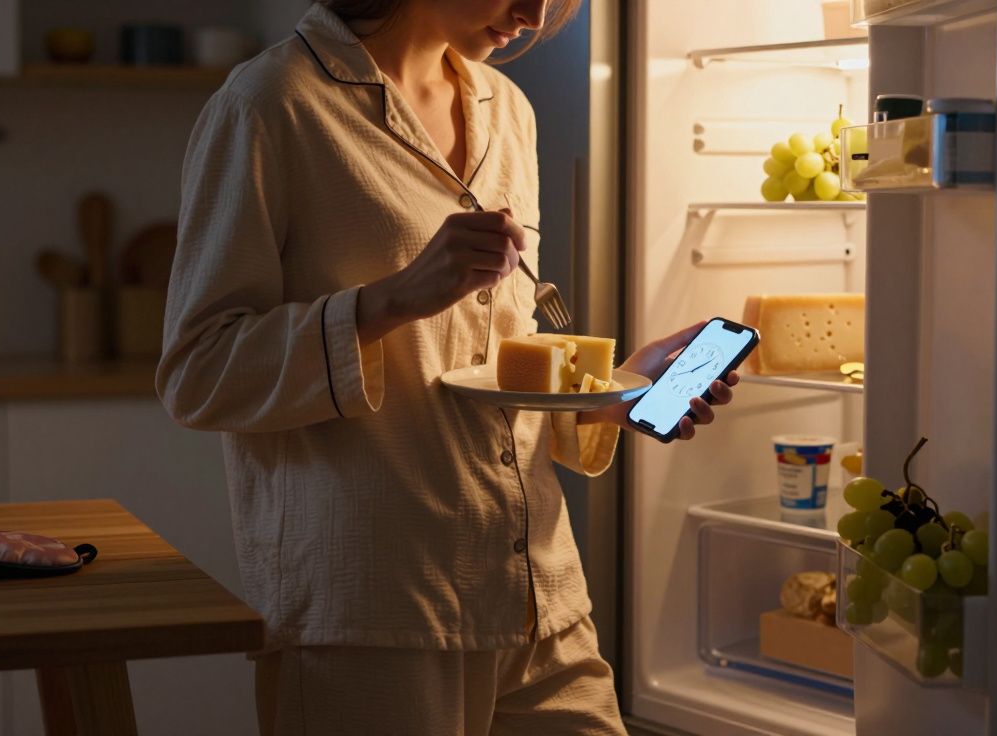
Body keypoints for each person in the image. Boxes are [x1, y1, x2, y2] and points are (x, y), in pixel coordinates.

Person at [156, 1, 738, 733]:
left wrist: (609, 392)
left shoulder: (508, 110)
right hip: (376, 613)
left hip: (537, 596)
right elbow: (199, 371)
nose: (533, 16)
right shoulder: (270, 104)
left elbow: (484, 356)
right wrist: (389, 300)